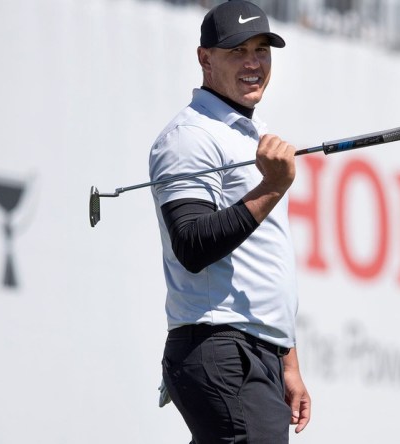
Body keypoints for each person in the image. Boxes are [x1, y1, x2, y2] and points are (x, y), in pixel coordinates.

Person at [148, 1, 310, 442]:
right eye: (238, 51)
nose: (254, 63)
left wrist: (287, 360)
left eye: (262, 50)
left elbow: (264, 262)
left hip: (255, 352)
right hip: (219, 347)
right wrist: (272, 186)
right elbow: (192, 245)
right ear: (205, 59)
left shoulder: (248, 134)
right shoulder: (189, 136)